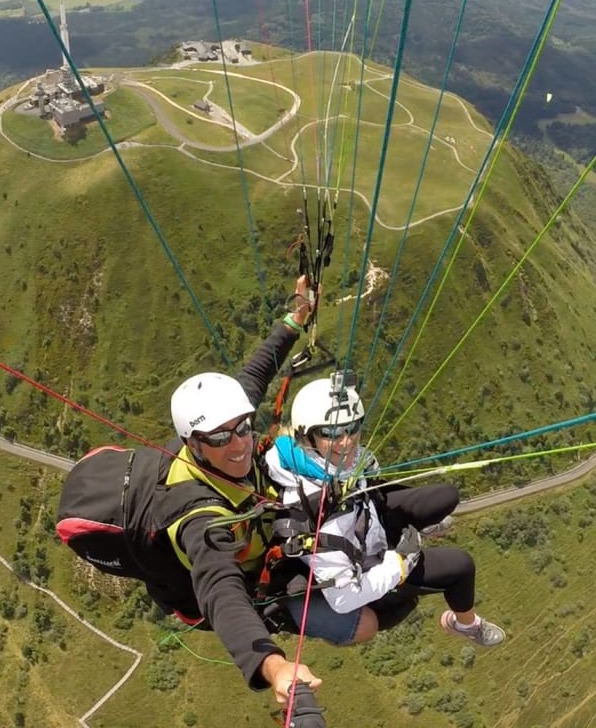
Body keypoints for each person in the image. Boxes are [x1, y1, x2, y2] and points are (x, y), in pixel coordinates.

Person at [57, 276, 323, 709]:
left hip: (242, 528)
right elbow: (220, 590)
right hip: (201, 594)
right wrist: (275, 668)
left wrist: (295, 317)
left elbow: (254, 374)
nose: (238, 443)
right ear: (193, 443)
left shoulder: (222, 430)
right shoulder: (197, 514)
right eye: (219, 438)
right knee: (331, 614)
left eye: (242, 427)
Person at [264, 372, 506, 649]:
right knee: (461, 566)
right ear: (307, 437)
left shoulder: (320, 463)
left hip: (367, 520)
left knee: (445, 497)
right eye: (331, 433)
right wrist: (400, 562)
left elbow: (367, 489)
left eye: (352, 427)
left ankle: (421, 526)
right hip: (371, 563)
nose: (347, 441)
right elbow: (343, 599)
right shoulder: (310, 510)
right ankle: (465, 624)